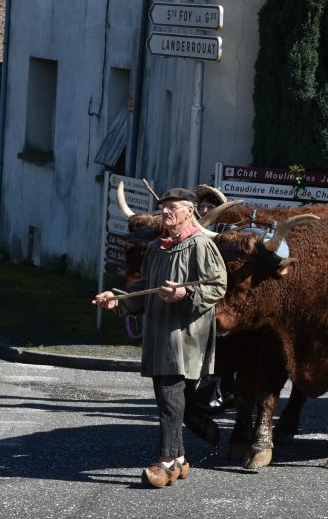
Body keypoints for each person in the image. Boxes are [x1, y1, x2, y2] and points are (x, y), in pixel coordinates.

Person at [93, 188, 227, 488]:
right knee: (168, 396)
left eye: (173, 208)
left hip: (184, 335)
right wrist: (117, 299)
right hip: (158, 333)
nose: (166, 213)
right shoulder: (157, 248)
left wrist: (185, 293)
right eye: (163, 208)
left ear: (189, 211)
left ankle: (166, 462)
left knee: (169, 396)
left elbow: (217, 286)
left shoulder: (201, 245)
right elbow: (144, 287)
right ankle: (178, 458)